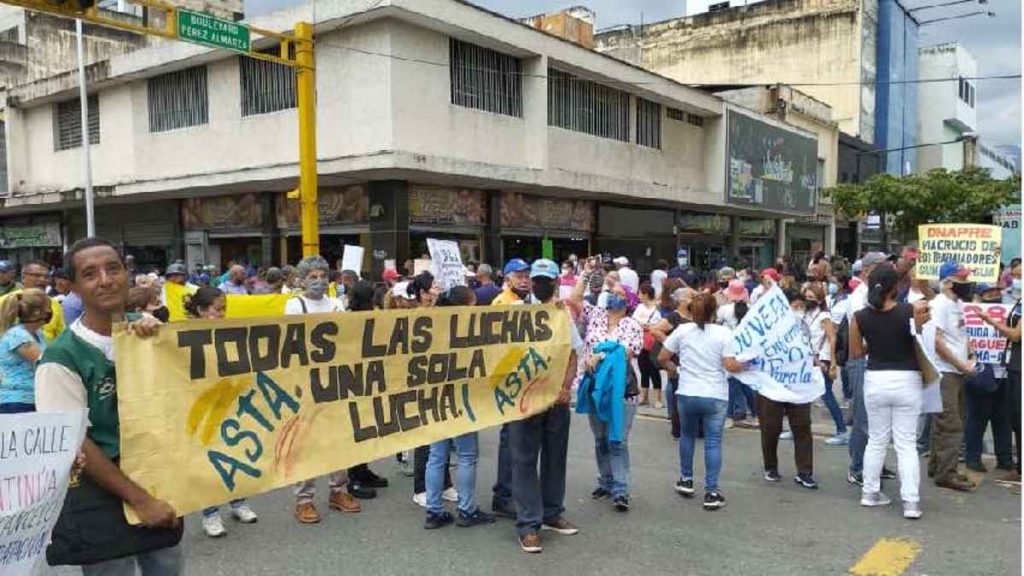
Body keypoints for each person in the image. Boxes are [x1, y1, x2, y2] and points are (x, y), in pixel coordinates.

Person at [35, 238, 183, 575]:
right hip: (101, 491)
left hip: (158, 478)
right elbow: (75, 441)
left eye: (113, 268)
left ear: (128, 274)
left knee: (167, 565)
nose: (105, 279)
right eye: (90, 274)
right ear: (71, 287)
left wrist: (161, 344)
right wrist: (141, 501)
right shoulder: (60, 359)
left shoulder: (150, 332)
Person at [507, 258, 581, 554]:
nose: (537, 284)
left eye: (544, 280)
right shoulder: (513, 313)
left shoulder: (562, 316)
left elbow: (573, 354)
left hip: (555, 402)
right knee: (524, 462)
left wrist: (565, 388)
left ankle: (551, 513)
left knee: (555, 459)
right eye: (534, 280)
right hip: (523, 403)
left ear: (554, 283)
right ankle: (528, 525)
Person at [850, 264, 931, 519]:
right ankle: (911, 503)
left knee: (876, 440)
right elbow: (921, 335)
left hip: (876, 379)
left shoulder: (860, 316)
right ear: (895, 286)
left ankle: (870, 493)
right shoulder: (911, 310)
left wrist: (873, 344)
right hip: (907, 379)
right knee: (906, 444)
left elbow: (855, 353)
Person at [286, 255, 362, 523]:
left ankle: (338, 490)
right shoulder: (294, 306)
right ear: (302, 279)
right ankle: (304, 499)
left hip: (336, 382)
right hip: (306, 384)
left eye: (322, 276)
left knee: (338, 438)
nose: (318, 281)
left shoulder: (336, 305)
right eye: (312, 277)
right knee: (307, 442)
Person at [181, 286, 260, 536]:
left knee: (234, 453)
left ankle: (238, 502)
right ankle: (210, 514)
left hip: (229, 403)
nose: (223, 314)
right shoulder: (183, 334)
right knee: (208, 462)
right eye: (218, 310)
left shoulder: (227, 332)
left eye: (225, 309)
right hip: (201, 408)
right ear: (202, 310)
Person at [659, 292, 745, 510]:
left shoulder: (682, 331)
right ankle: (712, 491)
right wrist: (746, 364)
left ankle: (686, 480)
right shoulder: (724, 333)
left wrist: (675, 370)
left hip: (687, 392)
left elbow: (662, 357)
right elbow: (730, 365)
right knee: (713, 441)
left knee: (686, 435)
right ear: (714, 311)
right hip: (714, 394)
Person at [421, 285, 495, 529]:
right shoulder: (468, 329)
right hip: (461, 398)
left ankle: (434, 510)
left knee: (436, 456)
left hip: (434, 397)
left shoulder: (430, 326)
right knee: (466, 455)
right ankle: (467, 509)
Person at [572, 273, 644, 512]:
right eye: (612, 294)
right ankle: (605, 480)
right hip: (595, 387)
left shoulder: (633, 326)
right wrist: (585, 275)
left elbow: (626, 353)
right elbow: (575, 301)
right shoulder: (596, 317)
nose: (615, 297)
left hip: (622, 392)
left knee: (618, 440)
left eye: (621, 295)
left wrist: (599, 354)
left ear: (629, 303)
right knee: (600, 438)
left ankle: (621, 489)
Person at [758, 290, 819, 490]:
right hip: (772, 385)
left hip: (798, 385)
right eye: (795, 307)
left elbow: (808, 350)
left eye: (801, 307)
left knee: (802, 427)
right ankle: (770, 466)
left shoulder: (803, 326)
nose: (799, 311)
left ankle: (805, 472)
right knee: (771, 426)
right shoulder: (767, 328)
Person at [846, 252, 897, 487]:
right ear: (866, 271)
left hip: (877, 360)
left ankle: (875, 464)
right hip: (862, 361)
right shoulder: (859, 299)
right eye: (879, 266)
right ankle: (857, 466)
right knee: (863, 418)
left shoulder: (877, 295)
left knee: (879, 420)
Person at [928, 261, 977, 492]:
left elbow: (961, 335)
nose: (967, 284)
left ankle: (938, 465)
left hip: (956, 371)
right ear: (947, 282)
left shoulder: (956, 303)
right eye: (962, 280)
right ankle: (946, 473)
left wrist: (972, 354)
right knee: (951, 425)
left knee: (946, 422)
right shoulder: (940, 305)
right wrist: (960, 363)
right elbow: (937, 341)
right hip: (945, 372)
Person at [344, 280, 391, 497]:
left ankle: (362, 470)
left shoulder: (371, 316)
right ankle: (353, 478)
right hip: (353, 383)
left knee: (367, 428)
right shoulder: (349, 320)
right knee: (355, 429)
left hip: (370, 379)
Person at [962, 284, 1015, 474]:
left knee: (1003, 420)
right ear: (980, 295)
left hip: (1005, 373)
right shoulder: (969, 314)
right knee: (977, 419)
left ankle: (1005, 459)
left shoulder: (1010, 313)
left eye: (997, 291)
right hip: (981, 374)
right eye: (989, 292)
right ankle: (973, 458)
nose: (995, 294)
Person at [978, 295, 1022, 481]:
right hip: (1014, 365)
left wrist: (990, 321)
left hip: (1019, 367)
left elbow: (1016, 335)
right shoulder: (1020, 301)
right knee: (1015, 418)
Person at [803, 283, 847, 445]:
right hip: (809, 359)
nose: (808, 300)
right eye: (806, 297)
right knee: (803, 394)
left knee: (826, 394)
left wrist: (833, 363)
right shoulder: (807, 314)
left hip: (823, 359)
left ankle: (841, 430)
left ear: (820, 299)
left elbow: (832, 337)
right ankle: (799, 428)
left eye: (811, 298)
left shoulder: (823, 316)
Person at [651, 286, 696, 439]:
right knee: (677, 392)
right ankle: (678, 428)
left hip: (691, 360)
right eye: (691, 296)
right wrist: (671, 343)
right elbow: (655, 330)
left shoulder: (694, 315)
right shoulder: (674, 317)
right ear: (681, 301)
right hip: (676, 361)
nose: (694, 299)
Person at [0, 289, 51, 413]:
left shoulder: (38, 333)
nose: (50, 311)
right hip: (16, 401)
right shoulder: (18, 336)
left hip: (33, 398)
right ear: (37, 312)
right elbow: (45, 362)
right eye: (48, 307)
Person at [717, 279, 757, 427]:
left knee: (732, 381)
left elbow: (718, 324)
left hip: (730, 348)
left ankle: (730, 415)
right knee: (746, 381)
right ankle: (755, 412)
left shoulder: (724, 310)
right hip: (747, 347)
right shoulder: (752, 308)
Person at [633, 282, 663, 408]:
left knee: (654, 369)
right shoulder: (639, 307)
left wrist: (647, 326)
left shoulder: (656, 308)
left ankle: (658, 399)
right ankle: (643, 396)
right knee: (643, 369)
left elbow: (659, 324)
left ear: (646, 294)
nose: (638, 295)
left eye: (640, 293)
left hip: (652, 341)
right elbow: (634, 321)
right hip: (641, 340)